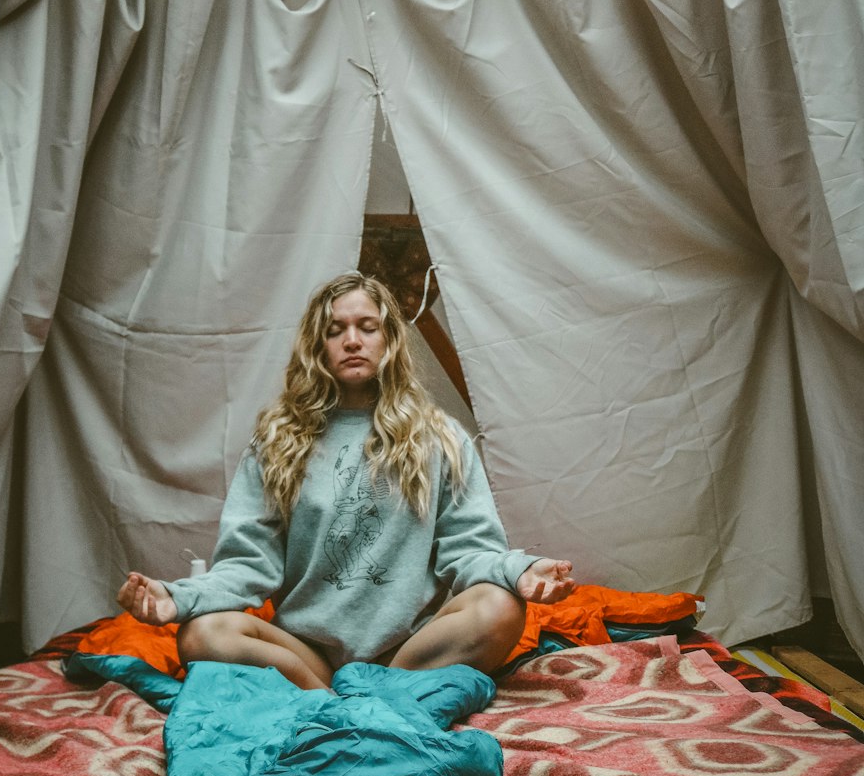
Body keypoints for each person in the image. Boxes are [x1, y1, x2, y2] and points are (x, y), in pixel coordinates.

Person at [118, 271, 575, 690]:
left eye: (367, 327)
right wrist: (178, 599)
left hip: (410, 650)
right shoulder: (278, 440)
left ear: (389, 339)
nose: (352, 341)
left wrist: (520, 571)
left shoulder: (439, 437)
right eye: (335, 331)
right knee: (202, 635)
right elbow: (246, 566)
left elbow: (470, 551)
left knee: (500, 608)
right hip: (308, 656)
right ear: (317, 347)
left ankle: (371, 695)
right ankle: (343, 702)